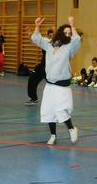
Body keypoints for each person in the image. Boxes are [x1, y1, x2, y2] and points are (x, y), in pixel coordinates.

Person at [31, 16, 81, 146]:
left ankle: (71, 129)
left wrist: (72, 25)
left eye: (69, 33)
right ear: (59, 33)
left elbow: (77, 40)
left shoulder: (70, 47)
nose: (68, 35)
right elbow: (36, 38)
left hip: (62, 86)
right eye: (65, 33)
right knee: (48, 111)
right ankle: (53, 135)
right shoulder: (49, 44)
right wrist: (37, 26)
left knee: (61, 110)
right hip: (50, 85)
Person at [25, 28, 52, 105]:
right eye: (50, 35)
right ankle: (33, 98)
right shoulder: (45, 42)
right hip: (42, 66)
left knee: (53, 84)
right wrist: (29, 35)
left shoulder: (57, 44)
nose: (51, 36)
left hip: (51, 68)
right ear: (48, 35)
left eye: (53, 35)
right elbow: (33, 41)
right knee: (32, 79)